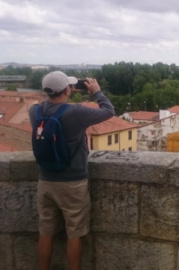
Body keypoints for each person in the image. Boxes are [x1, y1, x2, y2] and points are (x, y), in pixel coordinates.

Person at [29, 71, 115, 270]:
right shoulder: (76, 112)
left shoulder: (35, 111)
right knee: (74, 233)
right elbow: (109, 110)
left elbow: (48, 105)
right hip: (73, 182)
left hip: (45, 180)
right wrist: (97, 92)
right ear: (67, 90)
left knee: (46, 232)